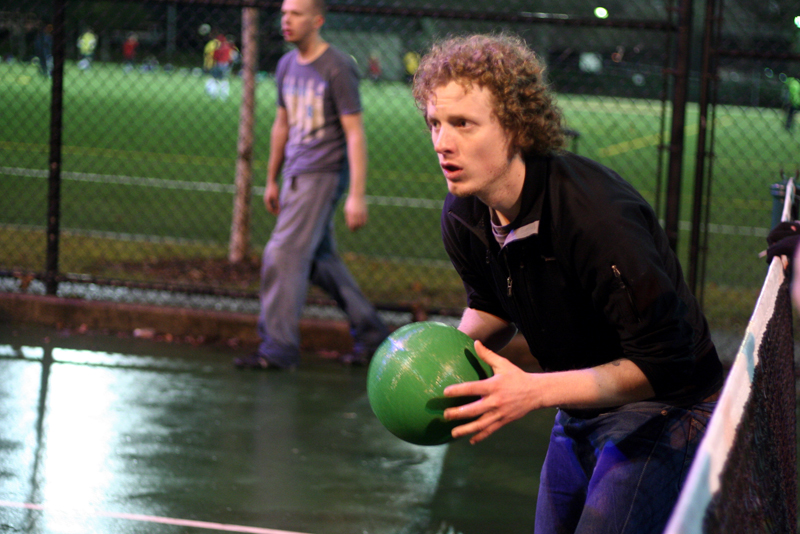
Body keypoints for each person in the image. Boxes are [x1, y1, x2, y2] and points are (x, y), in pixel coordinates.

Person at [411, 34, 723, 533]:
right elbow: (493, 303)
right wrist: (437, 358)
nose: (442, 143)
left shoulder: (595, 218)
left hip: (669, 406)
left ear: (514, 126)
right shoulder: (465, 212)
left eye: (463, 124)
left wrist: (533, 391)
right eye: (435, 123)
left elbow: (666, 361)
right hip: (579, 401)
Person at [234, 0, 388, 370]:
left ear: (317, 20)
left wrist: (356, 194)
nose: (286, 20)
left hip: (323, 174)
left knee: (281, 254)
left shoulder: (337, 67)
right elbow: (281, 125)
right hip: (295, 175)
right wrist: (272, 178)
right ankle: (373, 337)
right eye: (284, 13)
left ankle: (278, 349)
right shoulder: (286, 65)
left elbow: (354, 134)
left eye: (296, 14)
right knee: (320, 262)